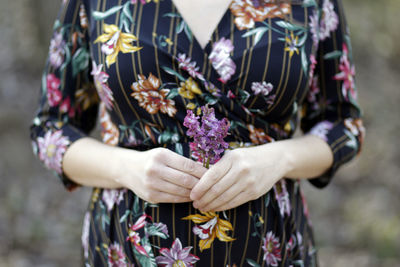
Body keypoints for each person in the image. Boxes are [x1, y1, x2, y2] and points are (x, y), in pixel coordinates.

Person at [29, 0, 365, 266]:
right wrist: (124, 166)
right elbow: (52, 129)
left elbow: (342, 125)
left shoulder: (312, 4)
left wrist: (281, 158)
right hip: (130, 249)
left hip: (268, 247)